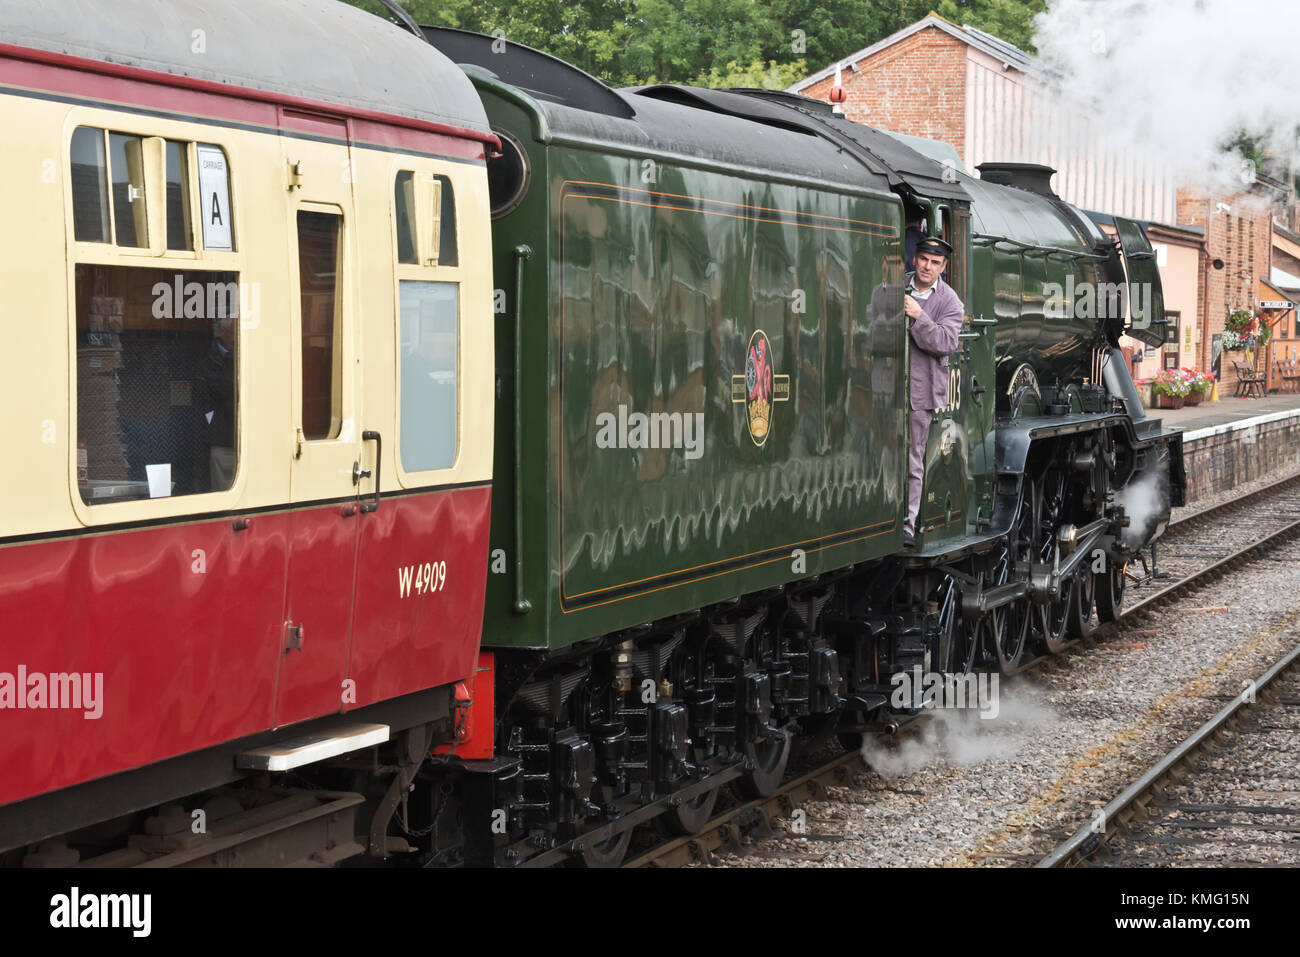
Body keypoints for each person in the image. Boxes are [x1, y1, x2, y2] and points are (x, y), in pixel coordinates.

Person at [903, 236, 964, 547]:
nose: (927, 266)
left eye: (935, 262)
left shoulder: (950, 302)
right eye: (924, 259)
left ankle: (907, 523)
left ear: (944, 267)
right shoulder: (894, 286)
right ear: (915, 259)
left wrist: (918, 316)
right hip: (883, 388)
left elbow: (945, 342)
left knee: (913, 457)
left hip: (920, 391)